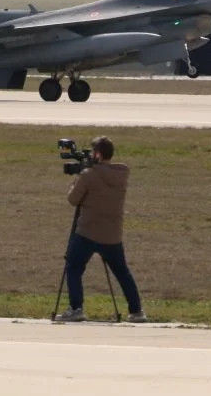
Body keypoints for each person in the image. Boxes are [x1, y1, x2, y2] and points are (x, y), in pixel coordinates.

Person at [55, 136, 145, 323]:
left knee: (73, 267)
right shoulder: (121, 174)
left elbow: (73, 199)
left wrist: (78, 179)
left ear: (97, 154)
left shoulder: (89, 175)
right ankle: (136, 311)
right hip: (112, 234)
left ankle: (76, 308)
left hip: (88, 231)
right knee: (122, 272)